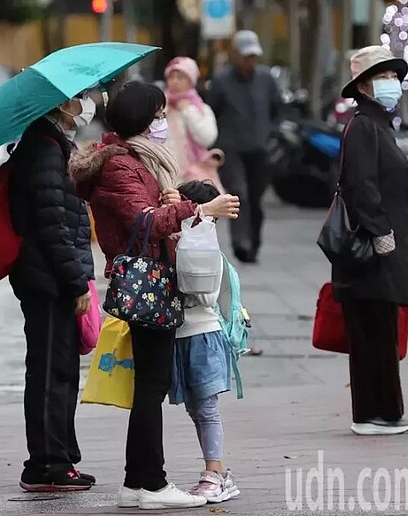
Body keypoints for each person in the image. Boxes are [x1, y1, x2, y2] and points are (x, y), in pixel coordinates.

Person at [70, 81, 239, 510]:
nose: (163, 122)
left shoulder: (134, 161)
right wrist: (199, 209)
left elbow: (146, 211)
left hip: (156, 278)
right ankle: (153, 483)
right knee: (151, 385)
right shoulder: (119, 165)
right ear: (143, 120)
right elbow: (143, 223)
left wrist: (172, 199)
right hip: (148, 281)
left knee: (150, 382)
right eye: (159, 116)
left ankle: (135, 481)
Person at [8, 92, 96, 491]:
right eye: (78, 98)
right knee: (48, 371)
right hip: (46, 279)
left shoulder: (55, 144)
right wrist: (76, 280)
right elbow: (52, 225)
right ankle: (45, 464)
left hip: (51, 275)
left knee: (60, 369)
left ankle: (59, 457)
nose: (85, 104)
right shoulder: (43, 148)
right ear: (59, 104)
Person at [334, 45, 408, 436]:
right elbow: (361, 187)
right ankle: (373, 413)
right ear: (364, 86)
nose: (392, 85)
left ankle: (383, 410)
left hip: (383, 245)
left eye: (394, 77)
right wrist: (381, 232)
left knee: (381, 327)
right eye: (383, 77)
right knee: (372, 330)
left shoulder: (379, 123)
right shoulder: (363, 126)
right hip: (369, 248)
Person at [168, 179, 241, 503]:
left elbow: (208, 295)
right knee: (197, 410)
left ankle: (215, 473)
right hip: (181, 336)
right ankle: (219, 472)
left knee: (206, 409)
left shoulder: (205, 248)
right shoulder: (179, 241)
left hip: (203, 335)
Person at [208, 30, 281, 264]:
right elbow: (212, 111)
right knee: (240, 194)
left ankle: (254, 243)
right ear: (236, 54)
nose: (250, 60)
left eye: (253, 56)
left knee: (256, 198)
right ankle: (241, 243)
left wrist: (271, 134)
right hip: (232, 149)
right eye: (246, 55)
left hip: (260, 149)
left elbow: (277, 109)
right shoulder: (220, 81)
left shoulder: (266, 79)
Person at [163, 57, 222, 191]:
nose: (175, 81)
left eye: (181, 77)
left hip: (193, 176)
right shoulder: (160, 107)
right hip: (165, 174)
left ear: (191, 81)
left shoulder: (200, 108)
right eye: (171, 77)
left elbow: (207, 138)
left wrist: (188, 111)